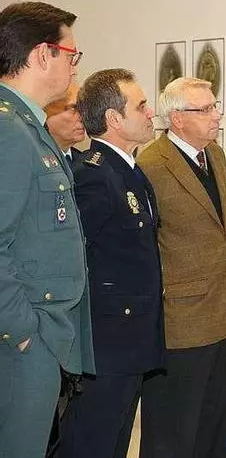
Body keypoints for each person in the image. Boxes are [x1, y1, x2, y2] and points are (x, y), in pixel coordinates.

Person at [0, 1, 94, 457]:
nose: (75, 66)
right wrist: (22, 331)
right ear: (42, 54)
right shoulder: (9, 130)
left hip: (38, 335)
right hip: (21, 342)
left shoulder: (27, 126)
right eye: (71, 55)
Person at [56, 69, 164, 457]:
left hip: (130, 343)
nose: (150, 113)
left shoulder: (130, 172)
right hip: (104, 346)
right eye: (141, 105)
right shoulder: (94, 176)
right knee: (90, 445)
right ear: (114, 119)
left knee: (115, 445)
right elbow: (69, 258)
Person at [136, 77, 226, 457]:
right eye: (206, 109)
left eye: (215, 106)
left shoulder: (215, 155)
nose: (217, 115)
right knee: (173, 433)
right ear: (178, 119)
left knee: (216, 427)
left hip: (223, 313)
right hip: (180, 322)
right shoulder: (152, 165)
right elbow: (145, 245)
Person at [44, 83, 85, 160]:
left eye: (84, 109)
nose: (84, 116)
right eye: (73, 108)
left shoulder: (84, 162)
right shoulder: (32, 159)